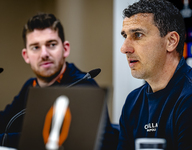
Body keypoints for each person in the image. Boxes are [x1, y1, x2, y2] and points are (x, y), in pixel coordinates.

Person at [0, 13, 118, 149]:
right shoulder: (30, 86)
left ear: (65, 49)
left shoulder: (83, 85)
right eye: (35, 47)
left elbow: (104, 144)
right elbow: (5, 122)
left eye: (51, 45)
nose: (44, 54)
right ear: (26, 55)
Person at [117, 0, 192, 149]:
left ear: (171, 41)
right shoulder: (132, 102)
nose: (124, 48)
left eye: (137, 35)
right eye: (125, 36)